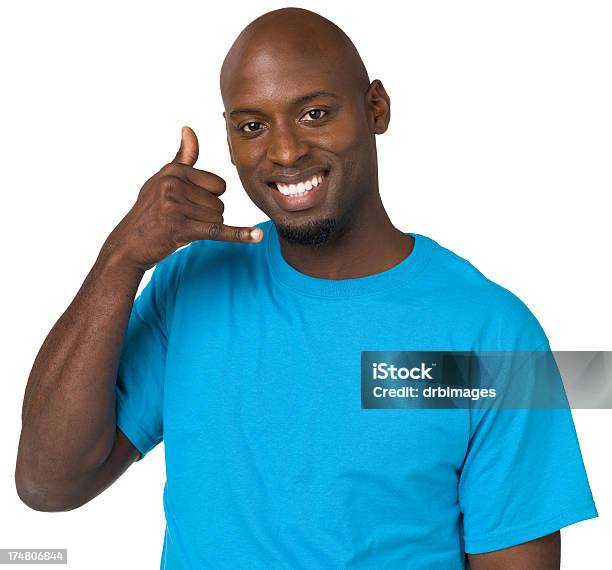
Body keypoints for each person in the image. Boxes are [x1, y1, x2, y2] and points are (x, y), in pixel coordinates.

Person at [15, 7, 597, 569]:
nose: (286, 151)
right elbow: (48, 482)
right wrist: (121, 258)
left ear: (376, 108)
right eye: (252, 126)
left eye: (315, 113)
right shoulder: (191, 281)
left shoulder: (494, 336)